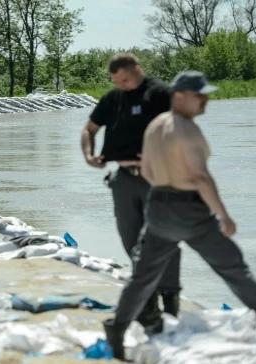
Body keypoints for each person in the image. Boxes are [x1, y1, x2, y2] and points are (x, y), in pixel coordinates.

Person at [103, 71, 256, 360]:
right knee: (232, 266)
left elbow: (148, 171)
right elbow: (201, 177)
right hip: (190, 211)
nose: (205, 100)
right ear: (179, 96)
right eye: (199, 95)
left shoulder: (154, 126)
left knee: (142, 276)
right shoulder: (188, 129)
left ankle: (117, 327)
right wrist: (223, 216)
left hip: (159, 207)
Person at [80, 53, 180, 331]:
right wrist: (89, 155)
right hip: (123, 179)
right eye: (116, 81)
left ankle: (169, 299)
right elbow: (88, 130)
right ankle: (148, 304)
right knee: (130, 240)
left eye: (124, 79)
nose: (121, 85)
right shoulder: (113, 99)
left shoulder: (160, 94)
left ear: (137, 69)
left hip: (157, 177)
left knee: (163, 239)